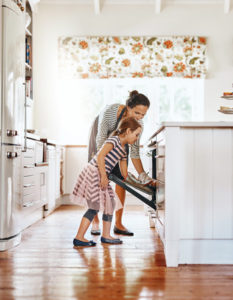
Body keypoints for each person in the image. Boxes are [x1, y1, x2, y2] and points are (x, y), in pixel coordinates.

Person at [88, 90, 156, 237]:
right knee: (95, 176)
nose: (139, 117)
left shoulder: (138, 125)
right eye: (137, 113)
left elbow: (135, 152)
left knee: (121, 179)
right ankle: (95, 221)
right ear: (128, 107)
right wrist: (104, 169)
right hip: (99, 135)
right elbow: (101, 140)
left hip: (120, 138)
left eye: (143, 115)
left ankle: (118, 223)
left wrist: (142, 176)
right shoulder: (110, 112)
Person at [71, 117, 142, 246]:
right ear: (128, 131)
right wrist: (103, 176)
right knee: (94, 207)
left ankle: (106, 235)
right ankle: (79, 237)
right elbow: (100, 156)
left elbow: (124, 173)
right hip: (95, 173)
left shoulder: (124, 149)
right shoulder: (113, 140)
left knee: (110, 203)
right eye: (136, 134)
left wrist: (136, 180)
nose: (137, 138)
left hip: (102, 175)